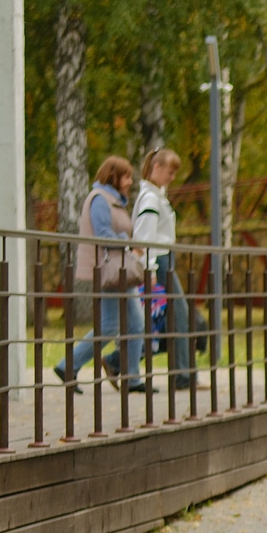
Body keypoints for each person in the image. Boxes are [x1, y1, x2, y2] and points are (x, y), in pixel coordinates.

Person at [54, 156, 145, 392]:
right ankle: (68, 365)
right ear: (113, 176)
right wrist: (129, 241)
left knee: (135, 324)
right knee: (110, 326)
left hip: (120, 270)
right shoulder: (100, 200)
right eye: (126, 176)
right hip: (110, 271)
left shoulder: (114, 201)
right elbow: (103, 235)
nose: (129, 181)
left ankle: (132, 378)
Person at [133, 149, 196, 391]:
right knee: (178, 315)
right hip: (159, 262)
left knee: (162, 317)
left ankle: (119, 361)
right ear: (156, 167)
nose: (172, 177)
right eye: (170, 172)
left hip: (161, 260)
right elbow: (145, 236)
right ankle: (182, 375)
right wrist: (148, 269)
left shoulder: (155, 196)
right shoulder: (150, 199)